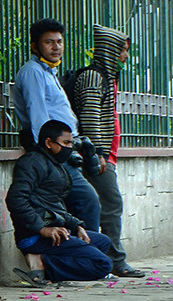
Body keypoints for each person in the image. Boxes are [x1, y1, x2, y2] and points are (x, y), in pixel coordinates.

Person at [10, 18, 101, 232]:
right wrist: (55, 153)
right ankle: (89, 258)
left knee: (69, 211)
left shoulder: (48, 72)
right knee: (88, 201)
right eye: (49, 42)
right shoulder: (33, 72)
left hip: (65, 149)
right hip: (55, 153)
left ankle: (81, 258)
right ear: (35, 46)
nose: (56, 47)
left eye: (59, 42)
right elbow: (38, 116)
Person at [72, 25, 146, 278]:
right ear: (111, 51)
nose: (125, 56)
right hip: (96, 156)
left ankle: (102, 259)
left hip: (105, 155)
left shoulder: (107, 77)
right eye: (123, 51)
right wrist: (98, 153)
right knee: (112, 203)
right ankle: (115, 259)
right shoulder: (94, 77)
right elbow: (90, 117)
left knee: (102, 205)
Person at [5, 120, 113, 285]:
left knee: (102, 242)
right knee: (103, 264)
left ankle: (48, 259)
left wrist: (77, 226)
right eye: (65, 143)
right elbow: (16, 199)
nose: (70, 147)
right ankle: (41, 262)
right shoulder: (32, 162)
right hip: (35, 234)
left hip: (55, 229)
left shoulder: (54, 164)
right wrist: (42, 229)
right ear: (49, 142)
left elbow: (55, 206)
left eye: (71, 143)